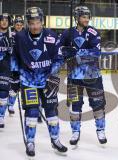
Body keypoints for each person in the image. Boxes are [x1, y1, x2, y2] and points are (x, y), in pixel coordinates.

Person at [12, 7, 67, 157]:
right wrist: (15, 77)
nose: (35, 26)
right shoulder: (20, 37)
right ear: (27, 23)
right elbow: (14, 58)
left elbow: (58, 58)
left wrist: (53, 75)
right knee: (32, 113)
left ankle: (55, 140)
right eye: (31, 23)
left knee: (52, 112)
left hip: (47, 81)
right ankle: (30, 142)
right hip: (28, 81)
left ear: (42, 21)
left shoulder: (51, 36)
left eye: (38, 22)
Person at [59, 6, 107, 145]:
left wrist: (76, 53)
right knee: (75, 105)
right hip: (74, 77)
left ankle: (100, 130)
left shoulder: (93, 32)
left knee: (98, 104)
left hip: (93, 76)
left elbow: (96, 53)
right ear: (77, 17)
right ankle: (75, 132)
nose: (86, 19)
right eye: (83, 16)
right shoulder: (67, 33)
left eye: (88, 17)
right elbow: (59, 49)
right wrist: (64, 51)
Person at [7, 15, 24, 115]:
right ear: (14, 25)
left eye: (20, 25)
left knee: (16, 87)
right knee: (10, 86)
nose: (18, 26)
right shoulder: (10, 34)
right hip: (10, 64)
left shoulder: (26, 34)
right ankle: (8, 105)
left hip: (22, 65)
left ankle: (11, 104)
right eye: (17, 24)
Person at [0, 13, 12, 128]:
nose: (4, 22)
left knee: (3, 92)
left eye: (6, 20)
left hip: (5, 68)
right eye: (2, 20)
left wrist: (11, 49)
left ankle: (1, 116)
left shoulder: (12, 36)